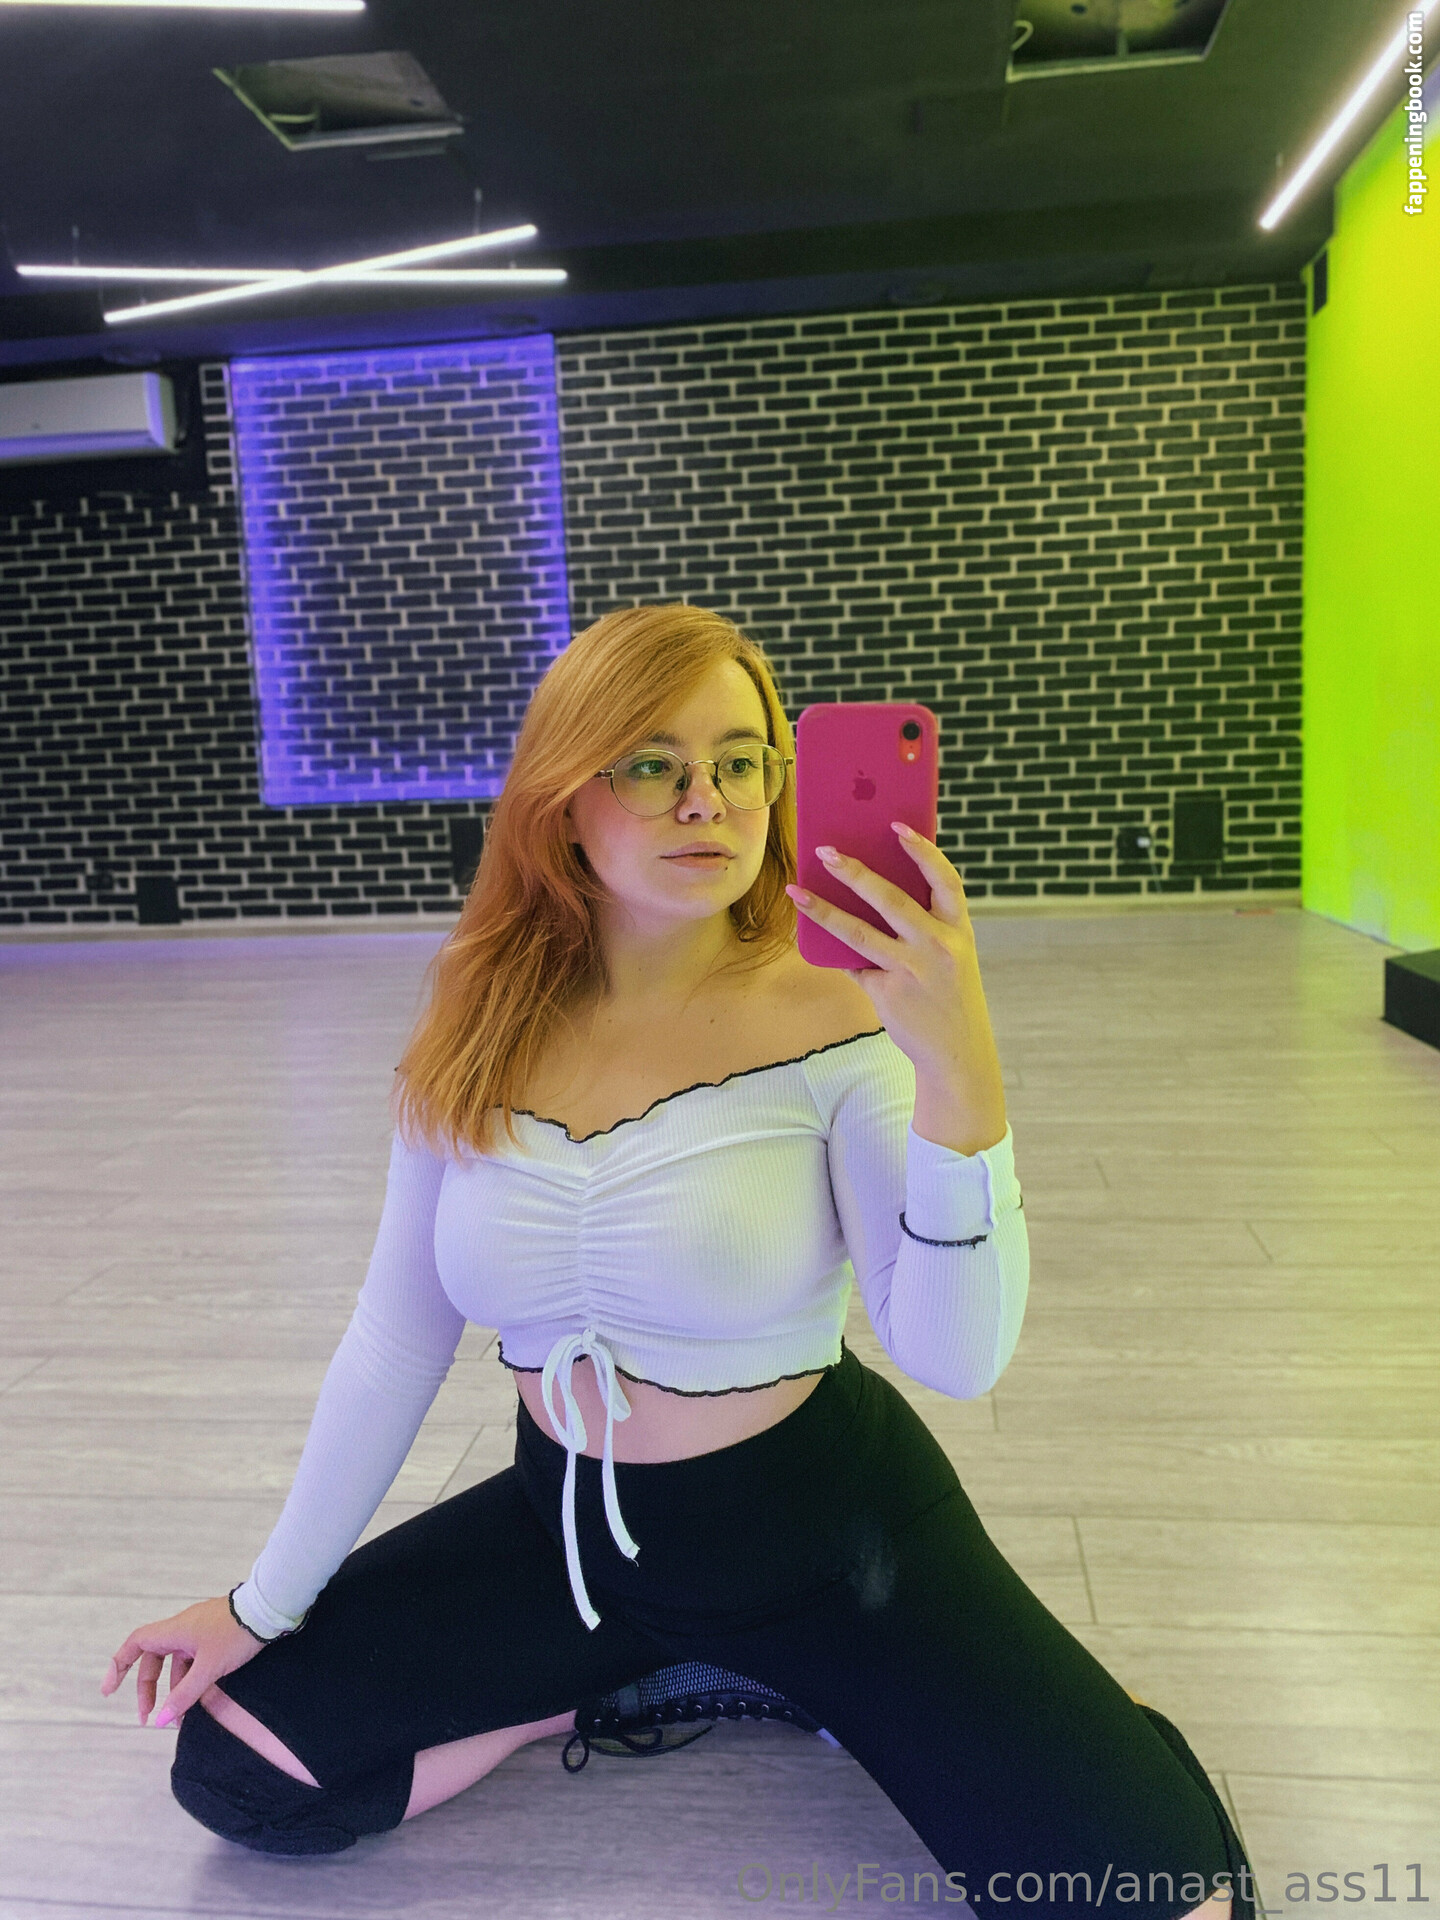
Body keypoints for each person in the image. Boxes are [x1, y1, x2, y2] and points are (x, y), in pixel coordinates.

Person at [102, 604, 1255, 1916]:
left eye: (741, 759)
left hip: (827, 1541)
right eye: (652, 763)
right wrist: (260, 1604)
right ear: (563, 798)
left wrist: (960, 1074)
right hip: (569, 1535)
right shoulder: (475, 1022)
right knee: (239, 1776)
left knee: (1160, 1902)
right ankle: (621, 1677)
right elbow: (394, 1340)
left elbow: (956, 1354)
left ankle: (883, 1686)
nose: (708, 797)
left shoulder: (844, 1014)